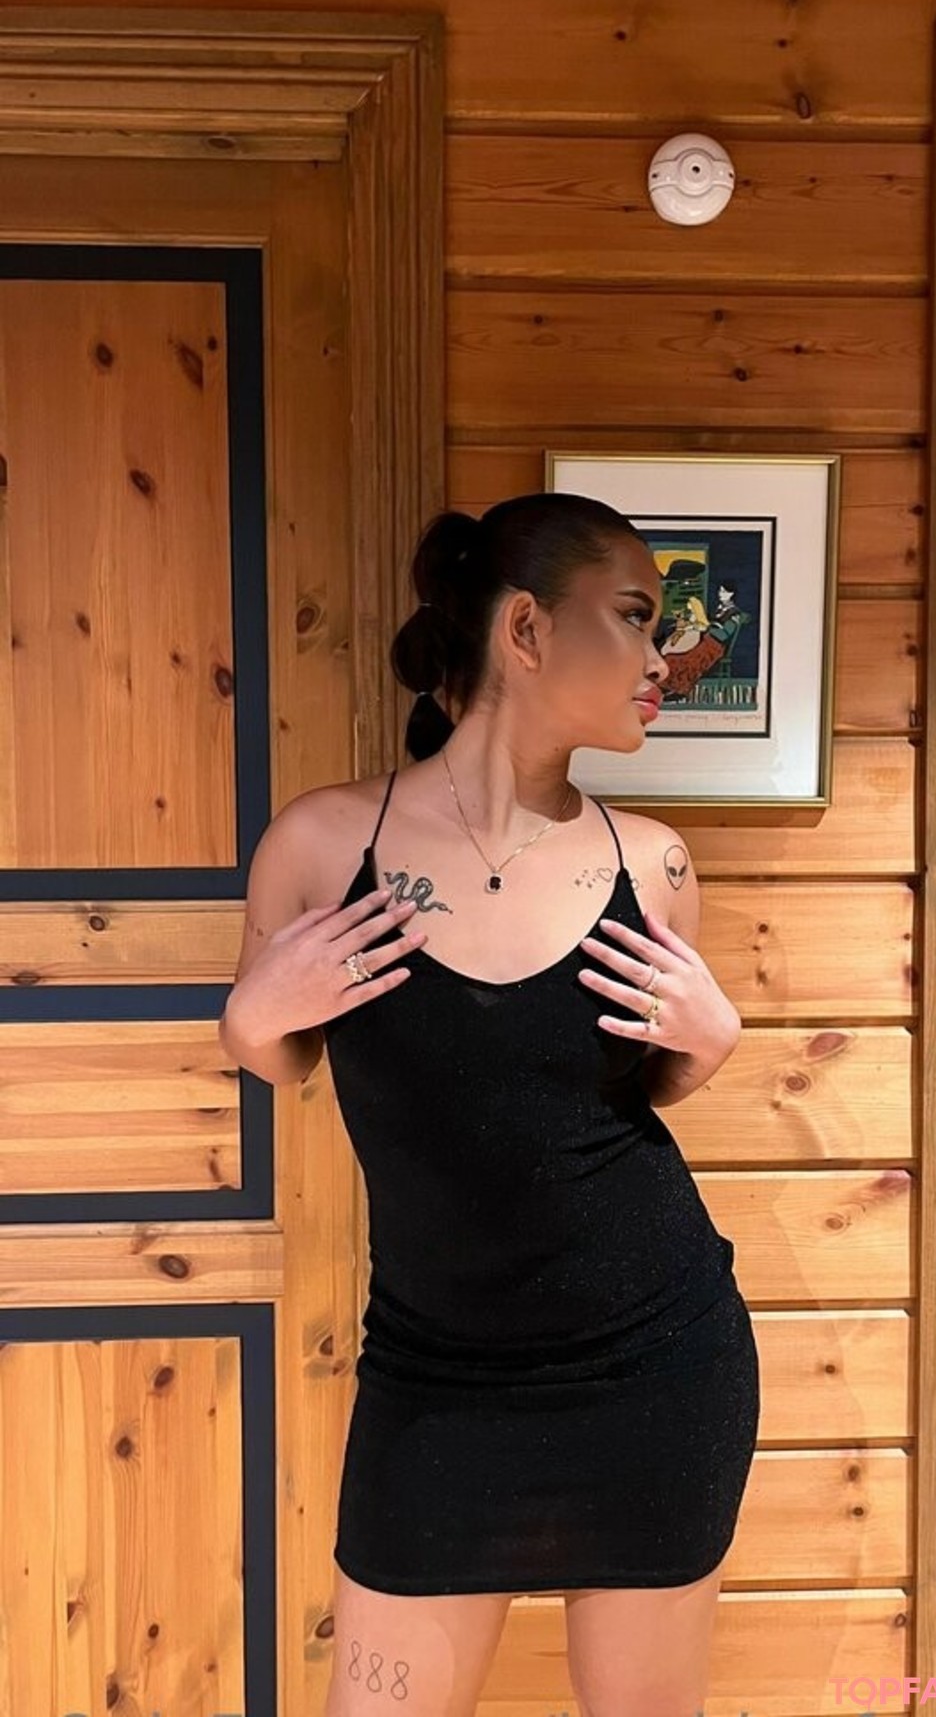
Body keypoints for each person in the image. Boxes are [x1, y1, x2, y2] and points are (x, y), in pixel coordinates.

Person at [220, 492, 760, 1717]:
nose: (663, 657)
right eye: (636, 616)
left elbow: (631, 1091)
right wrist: (253, 1013)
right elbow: (280, 1058)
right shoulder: (320, 844)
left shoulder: (654, 862)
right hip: (436, 1388)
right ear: (526, 628)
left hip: (658, 1368)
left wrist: (715, 1042)